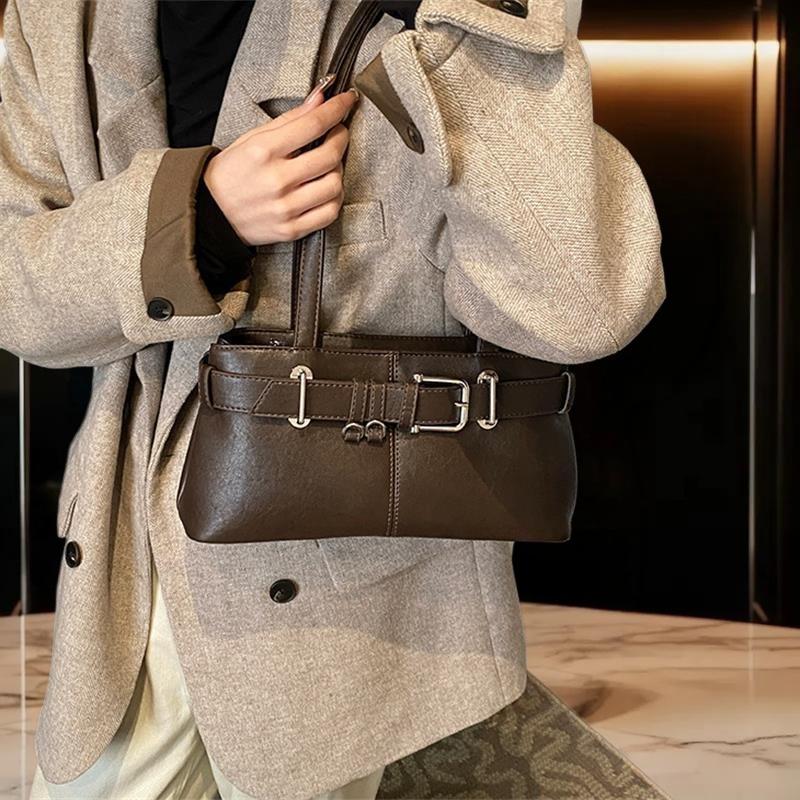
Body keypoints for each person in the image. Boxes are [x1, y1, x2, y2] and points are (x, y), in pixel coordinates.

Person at [0, 0, 664, 798]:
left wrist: (455, 25)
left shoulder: (464, 10)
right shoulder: (53, 16)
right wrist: (195, 220)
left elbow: (583, 306)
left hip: (347, 600)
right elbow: (13, 288)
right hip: (124, 583)